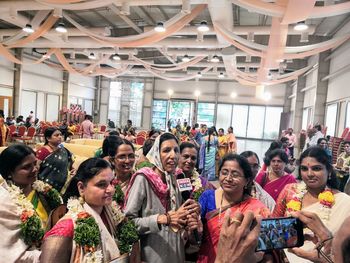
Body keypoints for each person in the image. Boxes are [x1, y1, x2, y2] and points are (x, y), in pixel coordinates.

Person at [124, 133, 201, 263]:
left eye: (176, 150)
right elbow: (128, 223)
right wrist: (161, 219)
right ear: (156, 154)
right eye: (166, 150)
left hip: (176, 252)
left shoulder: (178, 177)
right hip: (152, 255)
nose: (173, 155)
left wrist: (191, 213)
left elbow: (180, 213)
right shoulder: (143, 179)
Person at [273, 146, 350, 262]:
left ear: (329, 171)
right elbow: (273, 228)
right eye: (304, 168)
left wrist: (326, 236)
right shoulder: (290, 191)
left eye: (316, 168)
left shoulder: (345, 202)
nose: (309, 174)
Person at [40, 158, 122, 263]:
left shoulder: (113, 215)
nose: (110, 189)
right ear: (82, 188)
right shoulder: (66, 227)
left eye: (111, 182)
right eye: (102, 184)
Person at [197, 153, 270, 263]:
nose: (228, 178)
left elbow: (264, 246)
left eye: (235, 174)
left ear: (247, 180)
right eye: (224, 173)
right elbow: (197, 233)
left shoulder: (257, 208)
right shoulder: (208, 197)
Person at [0, 144, 63, 228]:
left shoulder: (43, 190)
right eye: (26, 167)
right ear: (9, 173)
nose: (35, 169)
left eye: (35, 163)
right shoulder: (4, 202)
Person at [37, 127, 75, 194]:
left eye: (60, 135)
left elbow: (69, 163)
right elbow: (36, 169)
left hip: (62, 186)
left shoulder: (63, 150)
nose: (60, 137)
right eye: (56, 135)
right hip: (45, 187)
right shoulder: (42, 151)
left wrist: (73, 170)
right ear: (48, 138)